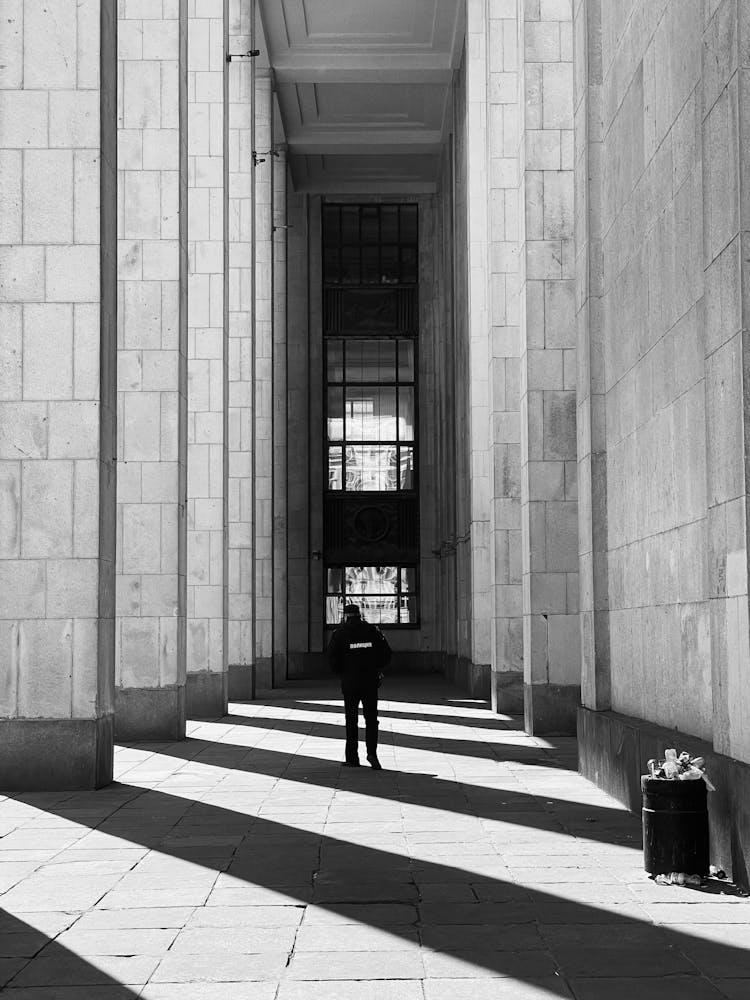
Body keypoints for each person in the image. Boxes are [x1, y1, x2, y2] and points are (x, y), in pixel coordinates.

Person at [327, 602, 391, 769]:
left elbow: (332, 660)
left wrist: (343, 672)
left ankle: (352, 758)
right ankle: (372, 753)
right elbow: (386, 654)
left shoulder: (339, 634)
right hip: (370, 682)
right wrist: (376, 668)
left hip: (350, 683)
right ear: (359, 615)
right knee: (371, 719)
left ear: (346, 616)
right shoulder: (372, 631)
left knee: (351, 720)